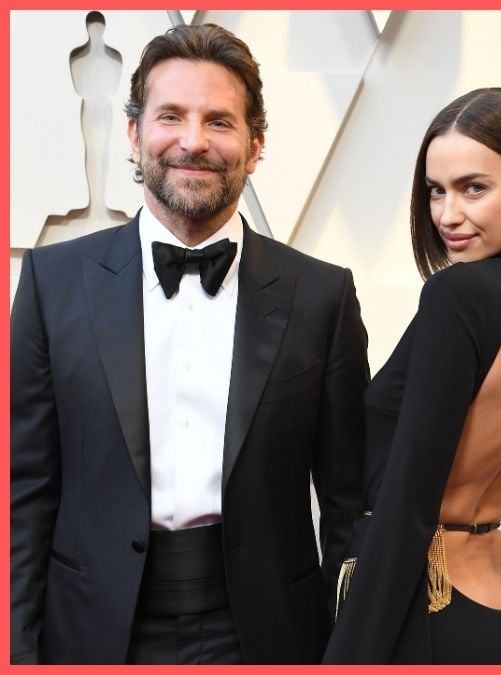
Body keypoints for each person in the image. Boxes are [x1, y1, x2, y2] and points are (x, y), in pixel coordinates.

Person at [10, 24, 368, 664]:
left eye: (220, 122)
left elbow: (347, 504)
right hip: (91, 630)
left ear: (255, 146)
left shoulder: (324, 297)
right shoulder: (49, 284)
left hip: (269, 633)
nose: (193, 141)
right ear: (133, 134)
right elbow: (23, 495)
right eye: (170, 116)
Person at [323, 88, 501, 664]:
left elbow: (406, 502)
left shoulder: (459, 295)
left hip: (430, 611)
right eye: (435, 191)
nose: (447, 215)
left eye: (474, 188)